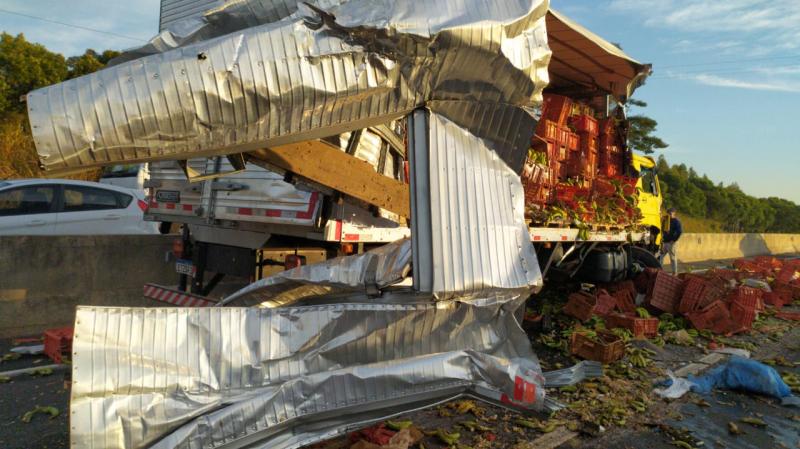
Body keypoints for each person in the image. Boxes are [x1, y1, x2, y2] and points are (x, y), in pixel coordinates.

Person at [659, 207, 682, 274]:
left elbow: (679, 232)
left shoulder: (676, 222)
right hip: (665, 242)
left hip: (671, 243)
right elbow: (662, 229)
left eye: (670, 213)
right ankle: (660, 270)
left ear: (674, 213)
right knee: (661, 256)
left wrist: (674, 240)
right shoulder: (665, 220)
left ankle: (674, 272)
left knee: (672, 257)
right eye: (668, 212)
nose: (669, 214)